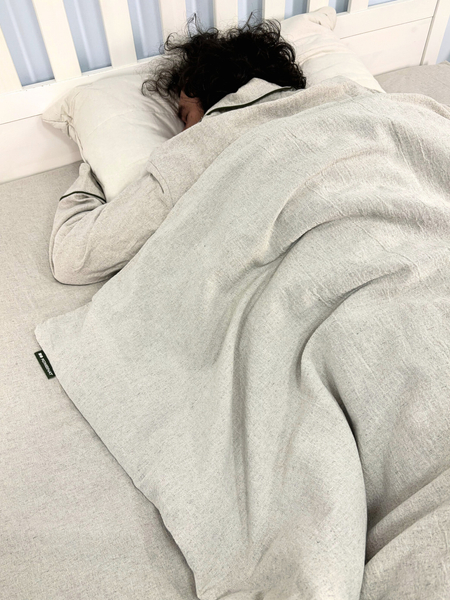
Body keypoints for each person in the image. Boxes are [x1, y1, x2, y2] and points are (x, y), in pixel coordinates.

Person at [50, 14, 306, 285]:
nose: (183, 134)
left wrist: (93, 170)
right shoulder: (334, 98)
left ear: (212, 96)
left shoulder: (200, 148)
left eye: (186, 117)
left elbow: (72, 258)